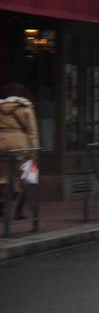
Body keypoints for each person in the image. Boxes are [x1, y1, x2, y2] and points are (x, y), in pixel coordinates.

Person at [0, 82, 40, 219]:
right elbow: (32, 132)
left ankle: (2, 204)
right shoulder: (25, 108)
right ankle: (19, 212)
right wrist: (34, 153)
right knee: (21, 178)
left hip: (1, 144)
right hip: (19, 145)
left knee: (2, 177)